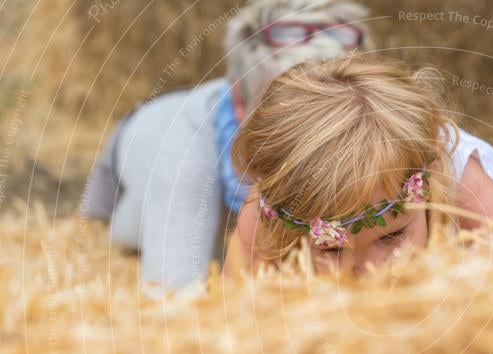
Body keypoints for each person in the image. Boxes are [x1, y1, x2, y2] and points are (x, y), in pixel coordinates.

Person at [80, 0, 372, 290]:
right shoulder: (186, 155)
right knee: (126, 235)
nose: (314, 138)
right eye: (289, 118)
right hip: (131, 147)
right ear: (240, 105)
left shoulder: (371, 116)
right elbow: (170, 292)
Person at [225, 56, 493, 278]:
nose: (371, 270)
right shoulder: (267, 213)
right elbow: (234, 309)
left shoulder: (459, 180)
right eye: (333, 249)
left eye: (391, 236)